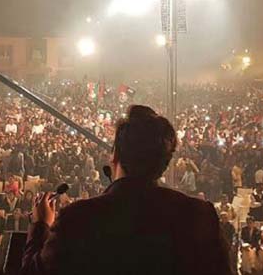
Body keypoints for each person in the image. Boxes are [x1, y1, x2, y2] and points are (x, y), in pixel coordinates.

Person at [21, 105, 231, 275]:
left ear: (114, 156)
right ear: (165, 162)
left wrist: (40, 225)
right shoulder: (198, 216)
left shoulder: (79, 218)